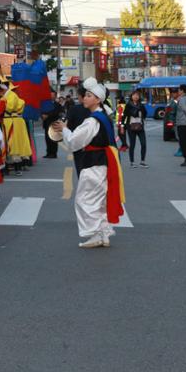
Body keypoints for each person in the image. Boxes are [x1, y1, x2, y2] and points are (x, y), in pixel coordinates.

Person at [49, 77, 125, 248]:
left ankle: (96, 234)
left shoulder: (93, 120)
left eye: (89, 95)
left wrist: (65, 129)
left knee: (85, 200)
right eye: (86, 95)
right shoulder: (103, 116)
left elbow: (76, 141)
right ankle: (103, 233)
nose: (85, 98)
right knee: (98, 199)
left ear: (97, 99)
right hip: (102, 162)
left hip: (94, 163)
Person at [2, 82, 31, 175]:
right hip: (13, 121)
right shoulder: (12, 96)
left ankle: (17, 166)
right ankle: (21, 164)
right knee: (16, 143)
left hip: (12, 121)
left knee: (13, 143)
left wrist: (1, 103)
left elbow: (9, 108)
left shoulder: (11, 96)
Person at [121, 91, 148, 168]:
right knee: (132, 145)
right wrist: (122, 126)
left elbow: (145, 114)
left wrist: (141, 115)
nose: (136, 96)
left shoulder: (141, 105)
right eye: (134, 95)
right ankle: (132, 162)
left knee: (143, 144)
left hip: (140, 127)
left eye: (137, 95)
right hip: (131, 127)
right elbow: (124, 117)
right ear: (131, 96)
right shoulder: (128, 105)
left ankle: (142, 162)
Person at [41, 89, 63, 159]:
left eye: (52, 95)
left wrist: (48, 115)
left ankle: (54, 153)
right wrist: (42, 116)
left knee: (53, 138)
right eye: (50, 94)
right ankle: (48, 153)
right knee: (47, 138)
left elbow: (56, 112)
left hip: (53, 123)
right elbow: (41, 111)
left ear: (55, 96)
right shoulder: (46, 104)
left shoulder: (57, 104)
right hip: (46, 123)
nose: (51, 96)